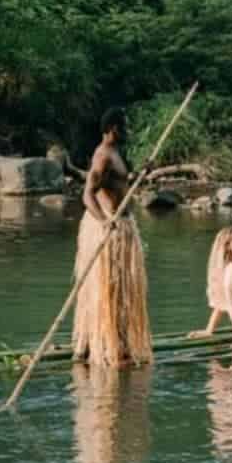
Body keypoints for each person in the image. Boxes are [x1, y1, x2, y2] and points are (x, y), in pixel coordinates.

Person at [71, 108, 153, 366]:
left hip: (124, 226)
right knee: (109, 289)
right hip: (109, 228)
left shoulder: (118, 153)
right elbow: (87, 195)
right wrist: (104, 221)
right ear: (112, 128)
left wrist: (142, 172)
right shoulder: (102, 156)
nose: (127, 131)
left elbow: (121, 185)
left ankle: (118, 340)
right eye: (124, 126)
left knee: (124, 289)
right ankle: (98, 342)